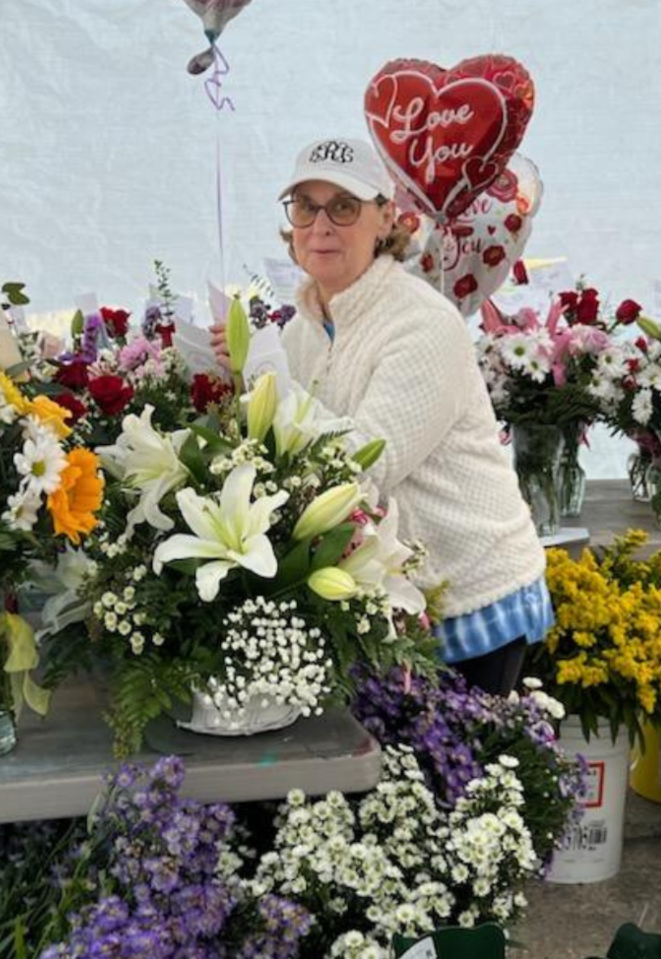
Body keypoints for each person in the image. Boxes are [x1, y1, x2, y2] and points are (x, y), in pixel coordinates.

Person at [211, 137, 551, 696]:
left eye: (344, 207)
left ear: (385, 219)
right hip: (389, 597)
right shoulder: (300, 329)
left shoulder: (422, 323)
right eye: (305, 206)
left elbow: (365, 467)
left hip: (469, 591)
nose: (321, 225)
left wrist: (267, 377)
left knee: (457, 774)